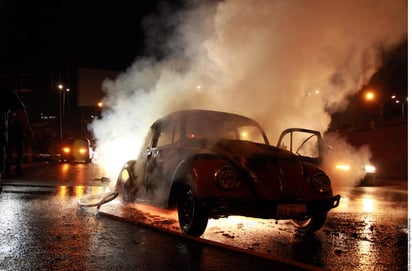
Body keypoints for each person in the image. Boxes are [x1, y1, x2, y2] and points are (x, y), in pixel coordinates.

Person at [0, 83, 31, 180]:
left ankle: (10, 170)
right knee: (15, 153)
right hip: (4, 135)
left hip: (12, 136)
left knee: (13, 153)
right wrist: (27, 128)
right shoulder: (4, 90)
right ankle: (11, 170)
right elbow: (20, 110)